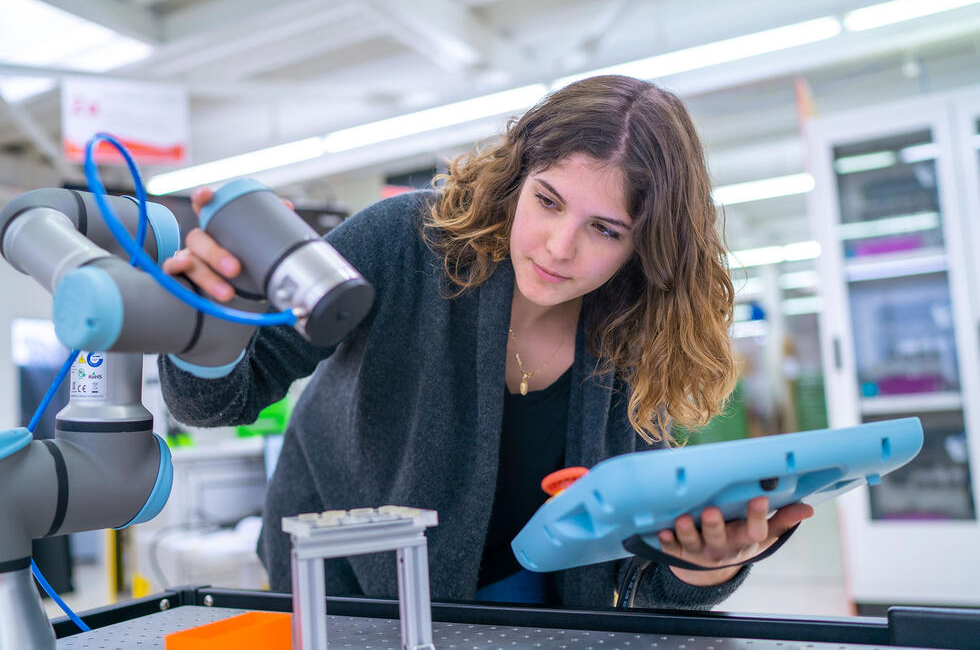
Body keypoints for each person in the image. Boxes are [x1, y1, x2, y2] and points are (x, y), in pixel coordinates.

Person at [159, 75, 813, 609]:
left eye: (606, 230)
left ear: (648, 247)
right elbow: (214, 404)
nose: (560, 248)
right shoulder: (401, 242)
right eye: (549, 201)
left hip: (527, 592)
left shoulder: (642, 335)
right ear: (517, 175)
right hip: (349, 581)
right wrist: (211, 321)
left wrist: (703, 569)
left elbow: (641, 582)